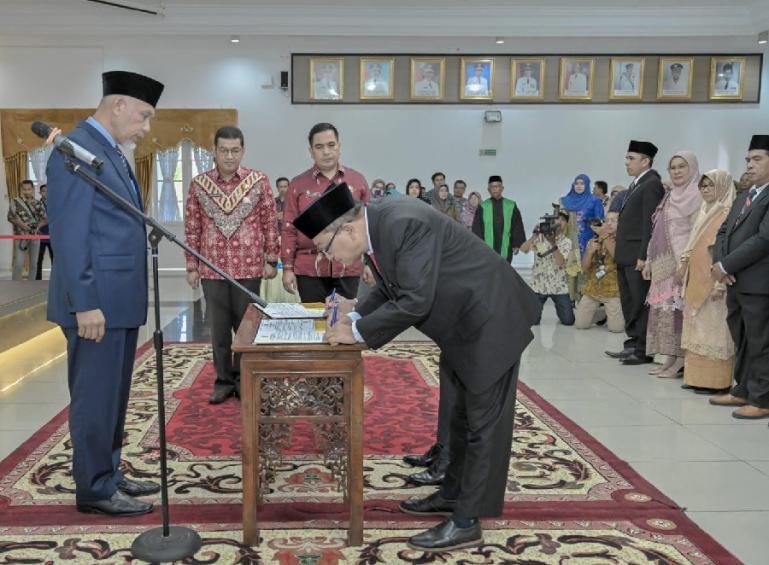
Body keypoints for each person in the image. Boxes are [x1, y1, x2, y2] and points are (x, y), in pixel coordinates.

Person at [294, 184, 540, 552]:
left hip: (491, 318)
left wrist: (357, 332)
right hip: (462, 323)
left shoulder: (402, 222)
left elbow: (414, 300)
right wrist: (355, 313)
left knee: (482, 424)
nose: (331, 260)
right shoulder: (377, 225)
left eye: (327, 250)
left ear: (345, 230)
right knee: (459, 416)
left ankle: (467, 521)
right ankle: (453, 494)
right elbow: (391, 285)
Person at [45, 70, 164, 516]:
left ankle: (109, 472)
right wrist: (86, 303)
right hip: (96, 304)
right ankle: (94, 488)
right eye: (143, 116)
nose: (145, 128)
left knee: (113, 396)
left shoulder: (107, 150)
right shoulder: (73, 151)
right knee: (95, 396)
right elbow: (70, 235)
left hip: (118, 301)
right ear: (117, 105)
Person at [184, 126, 280, 404]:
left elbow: (269, 221)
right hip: (211, 268)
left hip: (249, 268)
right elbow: (192, 227)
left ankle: (244, 378)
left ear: (243, 151)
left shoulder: (258, 181)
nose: (229, 156)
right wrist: (192, 266)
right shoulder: (199, 184)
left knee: (247, 329)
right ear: (214, 151)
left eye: (234, 150)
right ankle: (223, 380)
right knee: (218, 328)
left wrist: (271, 258)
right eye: (223, 150)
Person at [710, 135, 769, 420]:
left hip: (760, 283)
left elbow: (763, 239)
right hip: (736, 280)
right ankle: (743, 388)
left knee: (761, 341)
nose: (750, 165)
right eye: (748, 159)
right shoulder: (746, 195)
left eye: (757, 159)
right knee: (742, 338)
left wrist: (727, 265)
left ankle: (763, 398)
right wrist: (720, 263)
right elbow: (723, 232)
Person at [281, 123, 370, 302]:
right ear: (311, 150)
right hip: (309, 268)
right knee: (314, 324)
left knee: (343, 324)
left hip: (348, 266)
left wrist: (370, 265)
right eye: (319, 147)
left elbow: (368, 228)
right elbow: (289, 229)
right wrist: (288, 268)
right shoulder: (298, 185)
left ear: (339, 146)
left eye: (331, 145)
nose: (326, 152)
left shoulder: (357, 181)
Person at [643, 151, 702, 378]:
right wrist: (649, 260)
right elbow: (656, 230)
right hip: (662, 264)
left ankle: (680, 360)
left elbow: (696, 234)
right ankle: (669, 358)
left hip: (680, 264)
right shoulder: (669, 196)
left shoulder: (697, 196)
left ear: (693, 169)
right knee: (664, 314)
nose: (676, 172)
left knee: (678, 313)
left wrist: (685, 265)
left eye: (682, 167)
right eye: (673, 168)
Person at [606, 140, 665, 365]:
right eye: (627, 158)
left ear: (645, 161)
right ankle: (631, 344)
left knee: (639, 303)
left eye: (631, 158)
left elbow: (649, 224)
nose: (626, 163)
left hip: (636, 257)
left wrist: (644, 255)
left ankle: (642, 349)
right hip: (625, 255)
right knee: (629, 303)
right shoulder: (637, 184)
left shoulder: (651, 184)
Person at [679, 170, 736, 394]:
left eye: (710, 186)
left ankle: (715, 382)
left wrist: (720, 283)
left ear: (722, 188)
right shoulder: (704, 211)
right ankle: (695, 378)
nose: (705, 190)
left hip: (714, 281)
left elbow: (722, 248)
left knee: (714, 331)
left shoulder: (727, 213)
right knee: (696, 328)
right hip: (696, 277)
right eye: (703, 186)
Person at [519, 211, 575, 326]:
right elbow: (523, 249)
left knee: (568, 321)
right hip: (539, 285)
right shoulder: (539, 238)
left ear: (566, 224)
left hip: (558, 286)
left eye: (563, 220)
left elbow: (561, 263)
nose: (559, 222)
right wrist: (534, 236)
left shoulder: (567, 242)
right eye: (557, 219)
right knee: (532, 321)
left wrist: (553, 243)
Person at [575, 212, 625, 332]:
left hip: (613, 291)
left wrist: (604, 235)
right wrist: (589, 253)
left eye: (613, 221)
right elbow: (584, 268)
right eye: (607, 220)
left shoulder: (623, 240)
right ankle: (603, 313)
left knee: (616, 329)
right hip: (593, 289)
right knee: (580, 325)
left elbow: (617, 256)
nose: (609, 223)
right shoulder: (594, 240)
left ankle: (612, 312)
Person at [472, 175, 526, 263]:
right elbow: (477, 229)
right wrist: (479, 246)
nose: (494, 189)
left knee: (504, 273)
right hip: (487, 249)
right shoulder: (483, 206)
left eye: (497, 186)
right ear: (488, 189)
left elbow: (517, 226)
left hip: (506, 247)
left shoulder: (511, 205)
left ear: (502, 188)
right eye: (492, 187)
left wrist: (516, 245)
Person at [7, 179, 46, 281]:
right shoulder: (15, 201)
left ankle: (31, 285)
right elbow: (10, 217)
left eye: (29, 189)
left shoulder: (38, 203)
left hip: (35, 236)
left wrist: (38, 227)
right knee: (18, 263)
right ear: (21, 189)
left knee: (33, 264)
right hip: (21, 236)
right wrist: (23, 226)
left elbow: (45, 219)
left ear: (33, 189)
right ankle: (15, 285)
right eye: (24, 189)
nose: (27, 191)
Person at [35, 183, 54, 280]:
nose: (46, 193)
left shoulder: (55, 205)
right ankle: (38, 280)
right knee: (38, 260)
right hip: (40, 237)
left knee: (54, 260)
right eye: (43, 191)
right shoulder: (36, 205)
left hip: (52, 237)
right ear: (40, 193)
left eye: (48, 191)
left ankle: (55, 280)